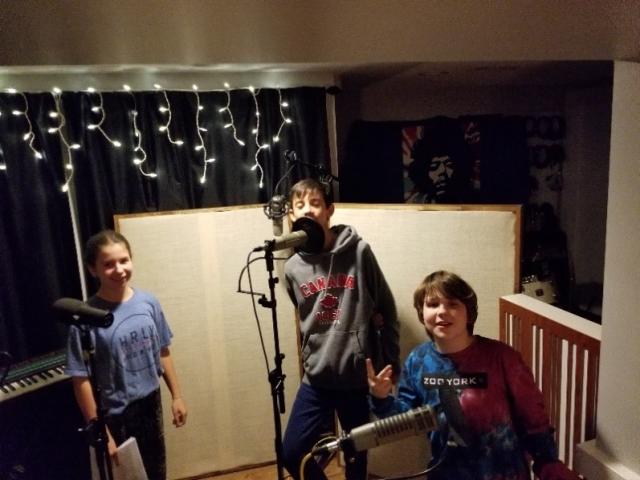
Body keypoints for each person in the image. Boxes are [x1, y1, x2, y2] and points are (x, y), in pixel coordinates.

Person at [367, 271, 579, 480]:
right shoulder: (418, 360)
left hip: (504, 472)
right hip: (447, 473)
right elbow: (407, 419)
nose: (442, 312)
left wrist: (547, 462)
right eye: (432, 304)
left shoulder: (503, 357)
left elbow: (533, 418)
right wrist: (381, 398)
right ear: (422, 313)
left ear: (469, 312)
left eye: (452, 304)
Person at [282, 178, 400, 480]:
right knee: (293, 452)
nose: (307, 210)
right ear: (292, 215)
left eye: (315, 203)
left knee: (356, 461)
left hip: (356, 377)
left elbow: (386, 307)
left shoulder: (358, 252)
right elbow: (303, 314)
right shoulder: (292, 268)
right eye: (299, 205)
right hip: (317, 378)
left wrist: (391, 362)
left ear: (329, 210)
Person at [65, 230, 187, 480]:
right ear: (93, 269)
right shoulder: (86, 316)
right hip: (114, 414)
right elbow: (80, 379)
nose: (119, 269)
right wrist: (101, 431)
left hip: (150, 404)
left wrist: (177, 396)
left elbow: (162, 350)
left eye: (124, 260)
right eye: (108, 264)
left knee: (156, 474)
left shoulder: (148, 303)